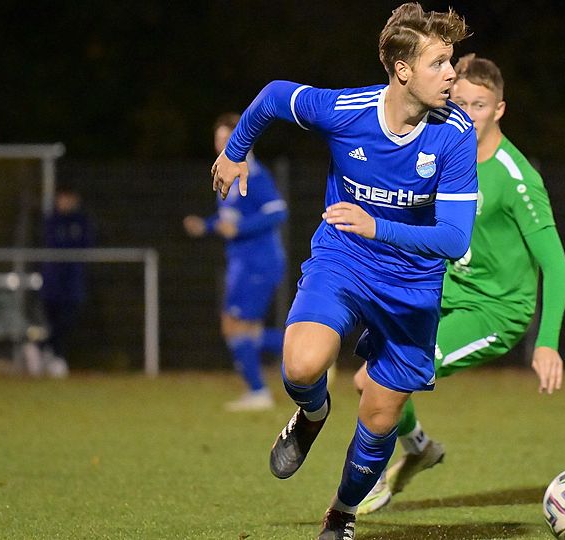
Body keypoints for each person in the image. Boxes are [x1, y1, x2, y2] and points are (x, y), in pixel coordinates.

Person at [209, 4, 475, 538]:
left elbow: (454, 238)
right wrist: (236, 151)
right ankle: (312, 414)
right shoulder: (347, 111)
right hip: (344, 260)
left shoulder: (454, 132)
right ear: (402, 69)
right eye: (440, 63)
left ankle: (341, 513)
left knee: (379, 417)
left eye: (451, 62)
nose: (453, 75)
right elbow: (275, 95)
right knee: (302, 365)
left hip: (413, 286)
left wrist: (377, 226)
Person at [355, 54, 565, 515]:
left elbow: (556, 267)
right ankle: (418, 448)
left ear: (499, 110)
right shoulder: (445, 150)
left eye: (480, 105)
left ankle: (368, 478)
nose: (469, 115)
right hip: (445, 290)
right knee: (364, 377)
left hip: (494, 311)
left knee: (385, 378)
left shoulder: (517, 178)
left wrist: (548, 342)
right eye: (462, 103)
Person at [184, 113, 289, 411]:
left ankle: (262, 389)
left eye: (226, 138)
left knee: (237, 327)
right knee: (236, 328)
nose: (221, 144)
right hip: (241, 262)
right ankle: (303, 351)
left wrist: (241, 228)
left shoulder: (254, 174)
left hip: (258, 262)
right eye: (218, 139)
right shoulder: (227, 173)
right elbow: (229, 218)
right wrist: (205, 226)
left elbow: (278, 211)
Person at [39, 184, 95, 377]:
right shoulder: (51, 221)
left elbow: (86, 244)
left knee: (67, 321)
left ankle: (43, 349)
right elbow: (53, 244)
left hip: (73, 283)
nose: (65, 202)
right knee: (54, 323)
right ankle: (54, 357)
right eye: (62, 198)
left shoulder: (82, 221)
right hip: (52, 283)